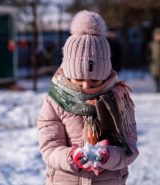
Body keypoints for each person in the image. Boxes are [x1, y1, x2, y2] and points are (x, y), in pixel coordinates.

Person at [37, 10, 139, 185]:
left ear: (106, 73)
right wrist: (71, 157)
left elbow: (129, 149)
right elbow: (49, 148)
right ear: (68, 73)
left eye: (94, 80)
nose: (85, 85)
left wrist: (108, 156)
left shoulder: (119, 99)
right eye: (78, 79)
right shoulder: (55, 101)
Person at [149, 27, 160, 92]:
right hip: (154, 64)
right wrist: (149, 59)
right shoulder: (152, 44)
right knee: (155, 77)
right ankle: (158, 88)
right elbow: (148, 52)